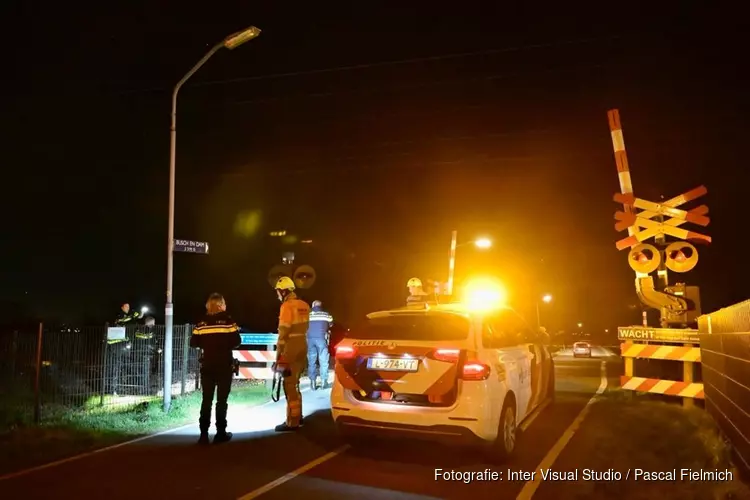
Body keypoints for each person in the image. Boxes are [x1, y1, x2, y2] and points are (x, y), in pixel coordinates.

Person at [190, 293, 241, 445]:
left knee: (206, 400)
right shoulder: (228, 321)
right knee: (221, 401)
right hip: (224, 365)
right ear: (220, 305)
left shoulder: (201, 323)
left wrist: (208, 345)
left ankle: (203, 435)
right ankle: (220, 433)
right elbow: (237, 341)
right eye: (224, 303)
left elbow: (193, 342)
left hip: (207, 365)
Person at [273, 276, 310, 432]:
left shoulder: (287, 306)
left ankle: (292, 422)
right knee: (295, 383)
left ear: (284, 291)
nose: (277, 295)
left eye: (278, 292)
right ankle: (298, 417)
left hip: (291, 347)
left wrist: (279, 353)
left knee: (289, 384)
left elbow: (284, 330)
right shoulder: (305, 305)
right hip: (303, 344)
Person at [106, 303, 141, 395]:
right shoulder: (119, 316)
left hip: (124, 348)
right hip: (117, 348)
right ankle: (113, 389)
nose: (128, 308)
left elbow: (131, 323)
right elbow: (123, 320)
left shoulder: (127, 318)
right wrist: (133, 316)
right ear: (122, 307)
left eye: (129, 307)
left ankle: (119, 388)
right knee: (116, 369)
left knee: (122, 368)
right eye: (126, 307)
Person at [307, 300, 333, 390]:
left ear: (313, 305)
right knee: (323, 360)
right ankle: (323, 382)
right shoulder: (326, 314)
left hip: (310, 340)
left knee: (311, 361)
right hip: (322, 339)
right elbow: (331, 324)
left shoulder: (307, 314)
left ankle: (313, 383)